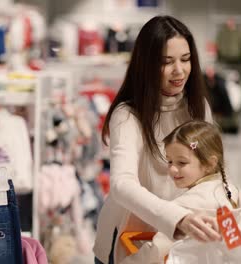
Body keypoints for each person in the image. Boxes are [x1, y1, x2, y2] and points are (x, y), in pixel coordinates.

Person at [94, 16, 219, 264]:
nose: (179, 70)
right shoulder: (128, 115)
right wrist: (176, 217)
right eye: (167, 62)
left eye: (185, 59)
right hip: (131, 241)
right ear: (147, 64)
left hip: (181, 239)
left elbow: (211, 170)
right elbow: (121, 184)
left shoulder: (197, 107)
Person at [121, 120, 241, 263]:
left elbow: (156, 250)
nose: (172, 169)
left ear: (209, 163)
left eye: (182, 162)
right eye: (169, 161)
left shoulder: (187, 206)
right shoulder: (232, 190)